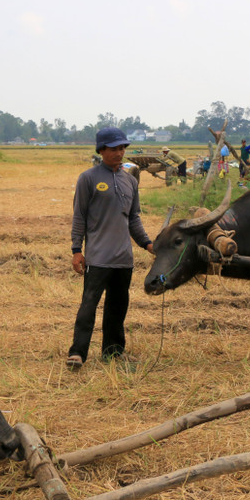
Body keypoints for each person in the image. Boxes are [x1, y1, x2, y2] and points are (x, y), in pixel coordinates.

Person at [67, 127, 154, 369]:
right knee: (88, 305)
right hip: (97, 258)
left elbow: (133, 218)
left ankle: (113, 352)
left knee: (117, 307)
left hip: (123, 259)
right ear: (102, 150)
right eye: (114, 148)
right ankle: (77, 353)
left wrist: (147, 244)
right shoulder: (88, 178)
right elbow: (79, 217)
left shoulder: (129, 181)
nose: (120, 152)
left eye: (122, 148)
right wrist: (76, 249)